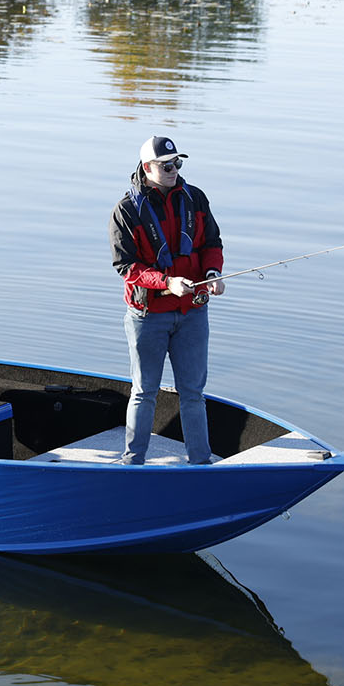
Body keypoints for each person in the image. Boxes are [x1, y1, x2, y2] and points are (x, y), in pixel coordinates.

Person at [109, 137, 225, 465]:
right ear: (147, 168)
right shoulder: (125, 211)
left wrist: (213, 272)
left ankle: (201, 464)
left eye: (178, 164)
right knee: (145, 392)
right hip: (148, 315)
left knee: (193, 394)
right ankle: (132, 463)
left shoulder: (195, 198)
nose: (174, 170)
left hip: (192, 313)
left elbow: (212, 242)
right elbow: (126, 267)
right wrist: (166, 283)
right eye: (166, 165)